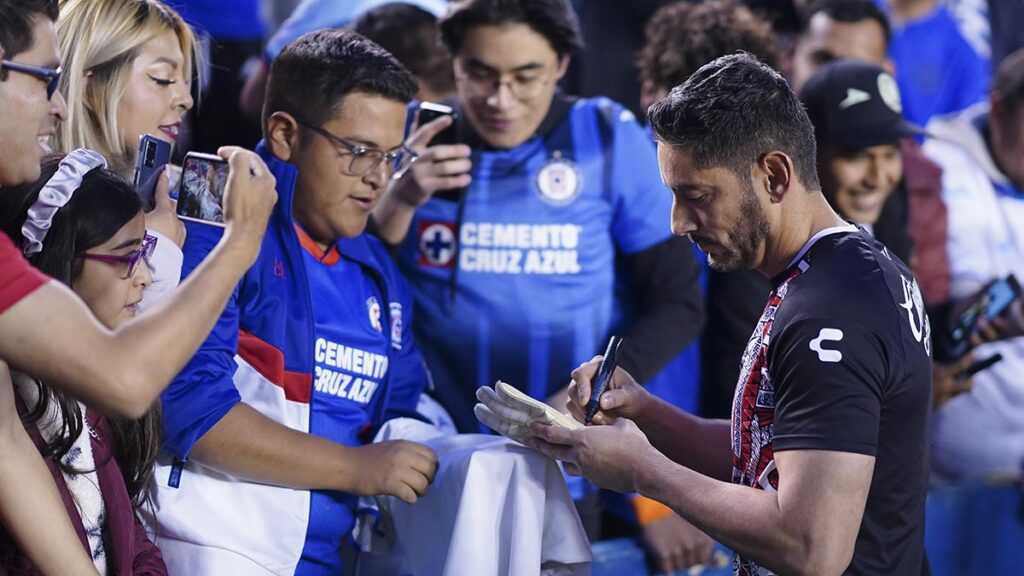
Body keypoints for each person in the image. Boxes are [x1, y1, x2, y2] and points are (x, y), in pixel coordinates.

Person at [513, 53, 933, 574]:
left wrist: (647, 473)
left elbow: (812, 547)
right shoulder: (845, 274)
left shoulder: (832, 309)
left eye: (696, 196)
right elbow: (775, 456)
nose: (677, 223)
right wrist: (645, 411)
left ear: (774, 176)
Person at [150, 30, 438, 575]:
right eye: (358, 152)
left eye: (391, 157)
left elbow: (400, 419)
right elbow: (184, 408)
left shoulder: (378, 267)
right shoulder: (210, 210)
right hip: (211, 553)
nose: (378, 179)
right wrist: (357, 469)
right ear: (283, 134)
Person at [374, 0, 703, 440]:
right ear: (452, 62)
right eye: (479, 74)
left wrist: (594, 393)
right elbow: (353, 286)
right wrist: (398, 201)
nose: (500, 99)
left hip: (565, 449)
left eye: (525, 77)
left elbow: (678, 301)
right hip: (425, 442)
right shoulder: (410, 139)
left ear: (561, 64)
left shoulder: (606, 137)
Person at [0, 152, 168, 574]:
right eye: (126, 255)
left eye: (144, 249)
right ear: (63, 260)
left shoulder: (90, 400)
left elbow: (130, 535)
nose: (145, 275)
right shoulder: (18, 407)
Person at [55, 0, 198, 309]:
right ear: (90, 88)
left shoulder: (175, 203)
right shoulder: (39, 211)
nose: (185, 99)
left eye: (184, 82)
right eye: (162, 78)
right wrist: (156, 256)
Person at [923, 48, 1024, 482]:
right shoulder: (941, 168)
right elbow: (961, 309)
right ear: (999, 108)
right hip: (961, 478)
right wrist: (998, 309)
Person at [800, 59, 922, 263]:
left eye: (890, 154)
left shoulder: (894, 209)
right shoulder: (772, 250)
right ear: (807, 153)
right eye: (856, 156)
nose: (878, 179)